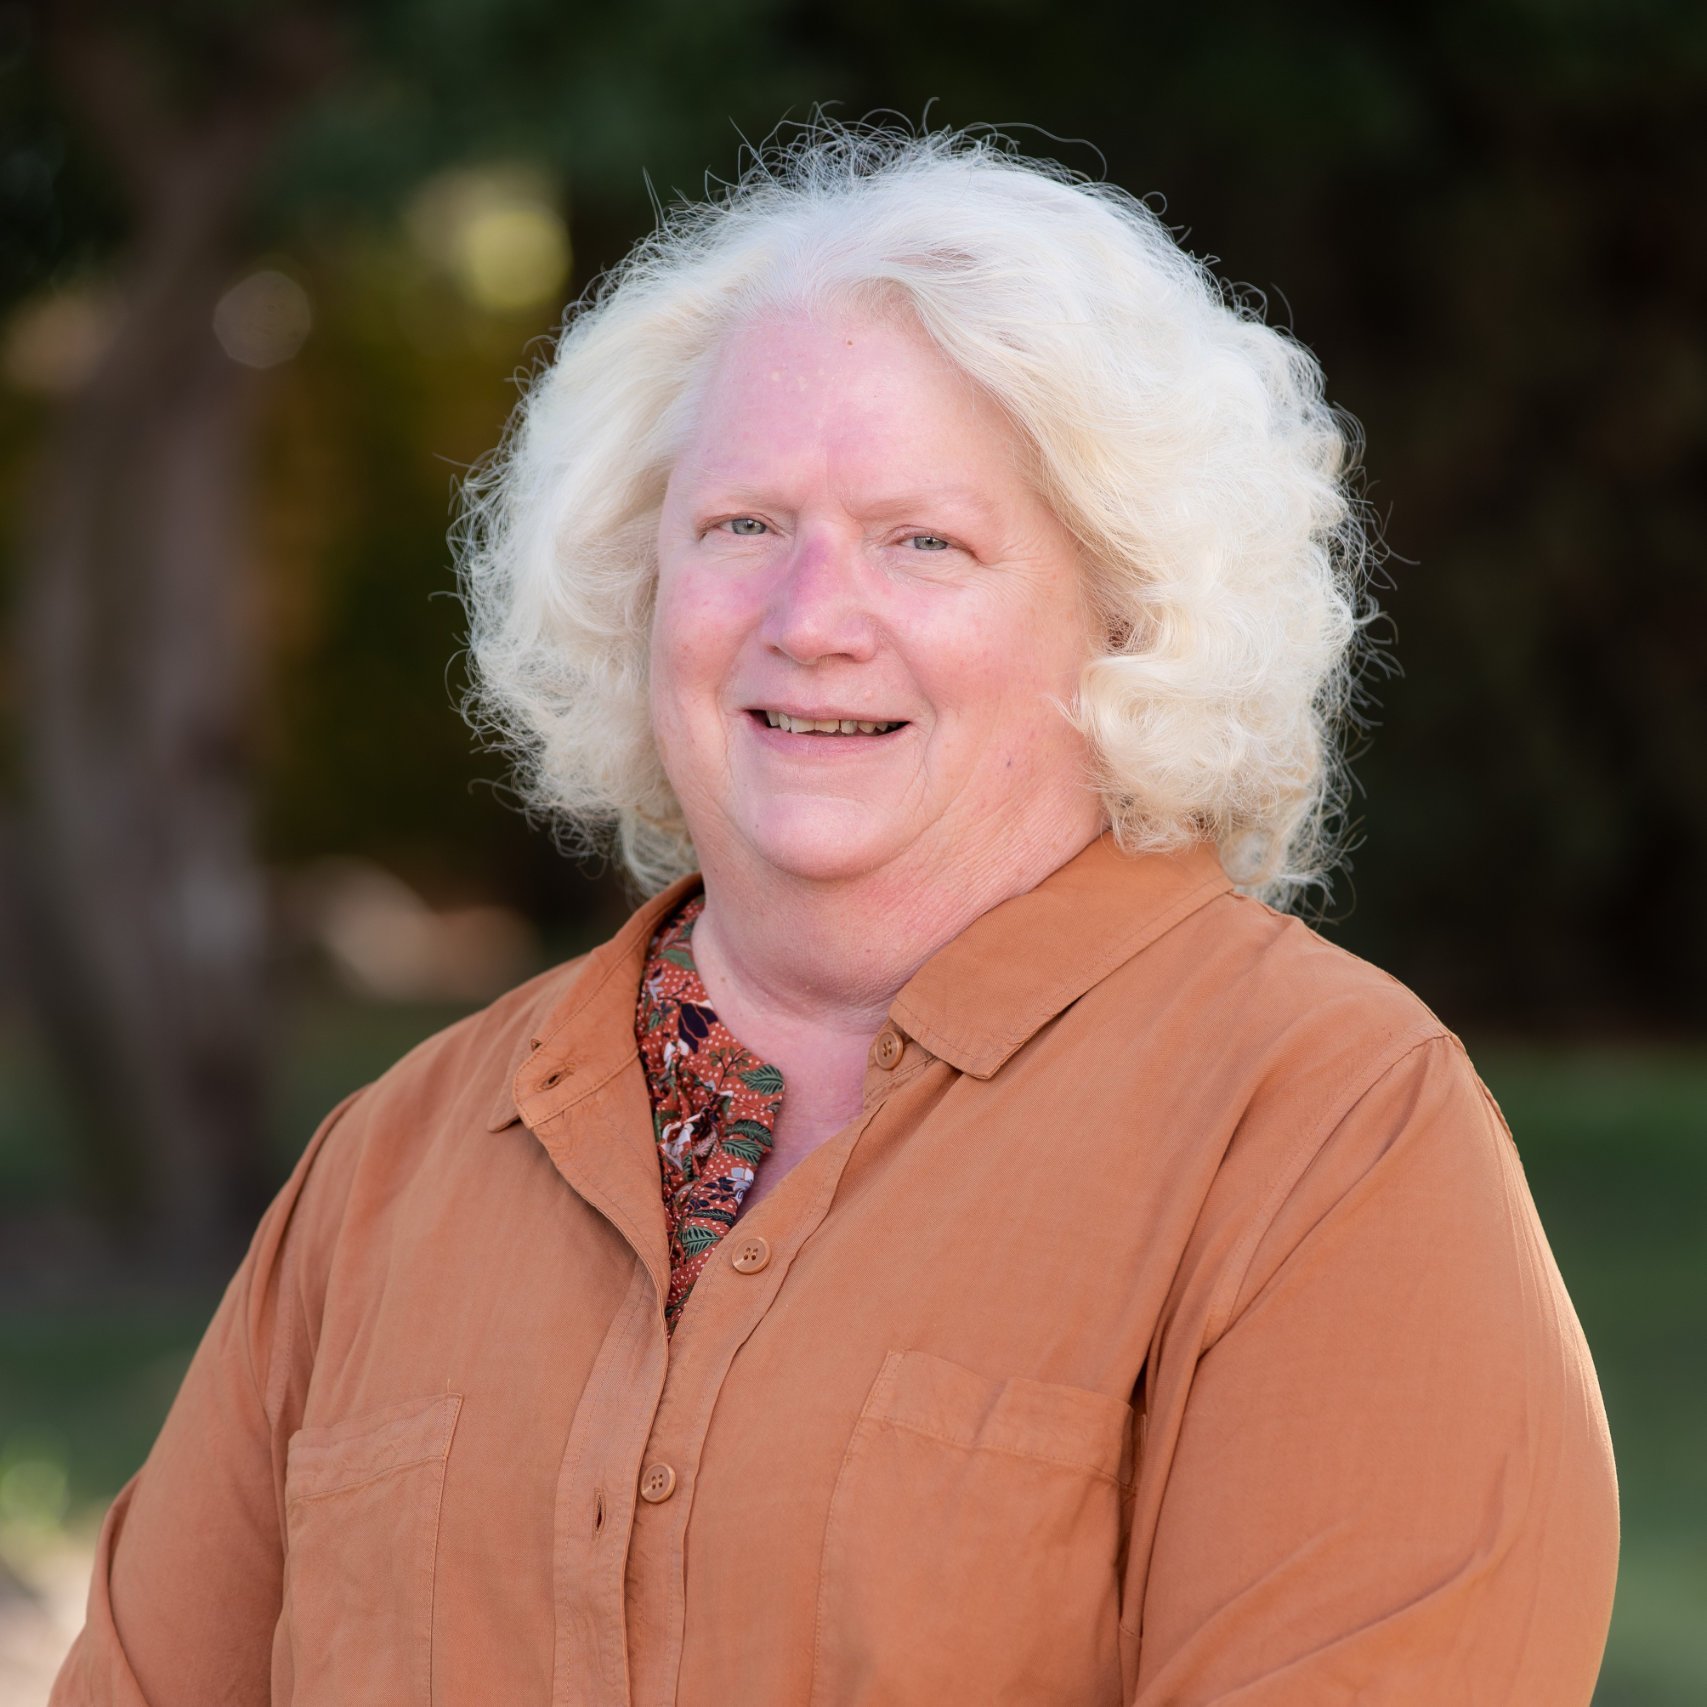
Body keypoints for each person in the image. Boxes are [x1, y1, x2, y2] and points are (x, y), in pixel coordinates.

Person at [52, 124, 1618, 1706]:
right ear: (636, 581)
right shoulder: (390, 1170)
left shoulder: (1325, 1133)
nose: (811, 622)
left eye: (923, 543)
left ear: (1129, 616)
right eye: (741, 527)